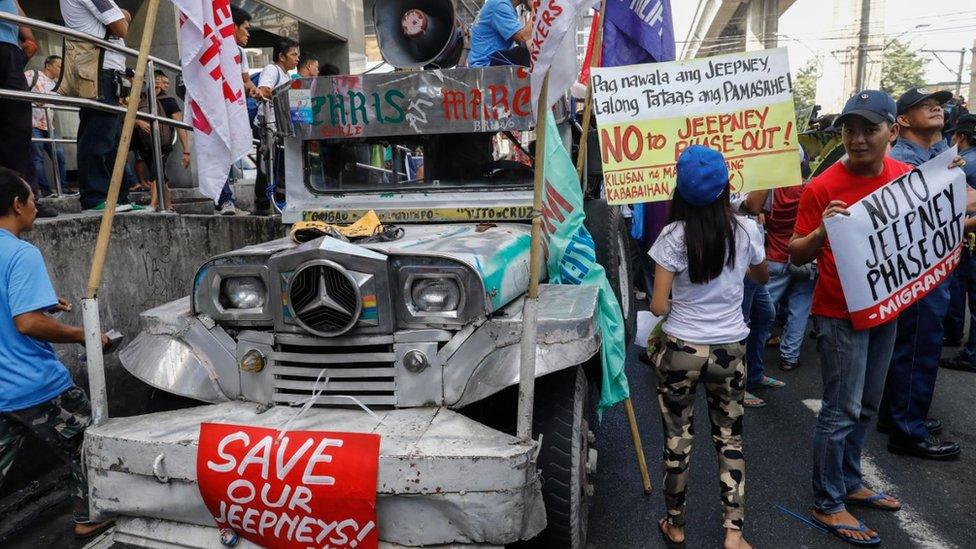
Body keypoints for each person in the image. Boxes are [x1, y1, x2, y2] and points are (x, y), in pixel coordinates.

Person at [792, 90, 915, 547]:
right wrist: (823, 229)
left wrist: (946, 184)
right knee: (840, 407)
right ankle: (827, 502)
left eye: (869, 129)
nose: (858, 139)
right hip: (838, 311)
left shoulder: (907, 177)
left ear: (892, 132)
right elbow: (795, 252)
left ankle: (848, 480)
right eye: (849, 130)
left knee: (866, 404)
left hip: (887, 306)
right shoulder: (821, 185)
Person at [648, 145, 765, 549]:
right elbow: (762, 276)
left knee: (678, 439)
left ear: (679, 188)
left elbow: (658, 305)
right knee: (730, 438)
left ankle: (675, 524)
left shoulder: (673, 236)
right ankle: (734, 533)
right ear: (725, 186)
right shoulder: (747, 230)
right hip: (730, 349)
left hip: (682, 348)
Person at [0, 167, 113, 539]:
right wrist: (84, 335)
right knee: (91, 440)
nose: (36, 205)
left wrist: (41, 307)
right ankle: (90, 514)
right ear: (17, 204)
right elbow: (26, 324)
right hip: (35, 384)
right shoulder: (20, 254)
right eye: (31, 198)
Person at [877, 87, 961, 461]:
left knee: (910, 347)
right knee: (917, 348)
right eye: (923, 105)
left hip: (932, 265)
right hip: (917, 271)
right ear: (903, 120)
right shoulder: (904, 162)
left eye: (939, 104)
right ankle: (907, 431)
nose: (936, 108)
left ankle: (897, 416)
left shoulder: (937, 153)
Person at [59, 0, 139, 212]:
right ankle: (95, 198)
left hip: (108, 70)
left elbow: (125, 16)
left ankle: (118, 198)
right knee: (98, 135)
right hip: (98, 69)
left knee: (112, 139)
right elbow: (121, 27)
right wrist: (120, 17)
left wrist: (121, 16)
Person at [0, 0, 57, 218]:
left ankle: (25, 199)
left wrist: (29, 37)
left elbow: (14, 4)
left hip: (10, 49)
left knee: (19, 128)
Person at [736, 192, 783, 408]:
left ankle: (754, 375)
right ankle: (738, 388)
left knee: (765, 315)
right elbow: (752, 206)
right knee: (739, 327)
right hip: (743, 260)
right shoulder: (732, 179)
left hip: (754, 254)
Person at [941, 113, 976, 373]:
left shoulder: (965, 164)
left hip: (968, 237)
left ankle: (971, 354)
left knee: (965, 293)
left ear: (960, 137)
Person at [215, 5, 257, 216]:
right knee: (218, 154)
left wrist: (256, 92)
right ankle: (224, 200)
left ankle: (226, 200)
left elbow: (247, 83)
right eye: (245, 28)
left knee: (227, 156)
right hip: (215, 110)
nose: (248, 33)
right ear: (232, 26)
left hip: (233, 111)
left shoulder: (240, 53)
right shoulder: (212, 48)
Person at [132, 70, 191, 211]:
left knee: (155, 173)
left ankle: (152, 205)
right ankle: (169, 205)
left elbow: (180, 126)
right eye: (157, 80)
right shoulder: (140, 98)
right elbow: (127, 117)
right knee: (161, 177)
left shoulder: (169, 101)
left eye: (165, 82)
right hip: (144, 144)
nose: (162, 84)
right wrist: (139, 122)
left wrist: (187, 150)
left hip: (163, 144)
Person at [253, 38, 299, 216]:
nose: (296, 58)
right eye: (293, 54)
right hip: (269, 126)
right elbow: (264, 90)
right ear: (281, 56)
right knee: (267, 165)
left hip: (281, 127)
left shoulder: (286, 75)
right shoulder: (272, 70)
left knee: (279, 165)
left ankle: (278, 199)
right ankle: (263, 204)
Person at [27, 55, 69, 198]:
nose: (61, 70)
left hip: (50, 127)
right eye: (59, 66)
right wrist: (32, 99)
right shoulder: (32, 75)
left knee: (60, 157)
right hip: (33, 124)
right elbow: (17, 89)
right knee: (37, 158)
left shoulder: (57, 86)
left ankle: (62, 187)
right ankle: (46, 191)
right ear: (48, 65)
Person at [467, 0, 532, 67]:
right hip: (485, 63)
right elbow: (524, 38)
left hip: (490, 60)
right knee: (525, 53)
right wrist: (536, 9)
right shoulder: (500, 5)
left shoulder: (504, 5)